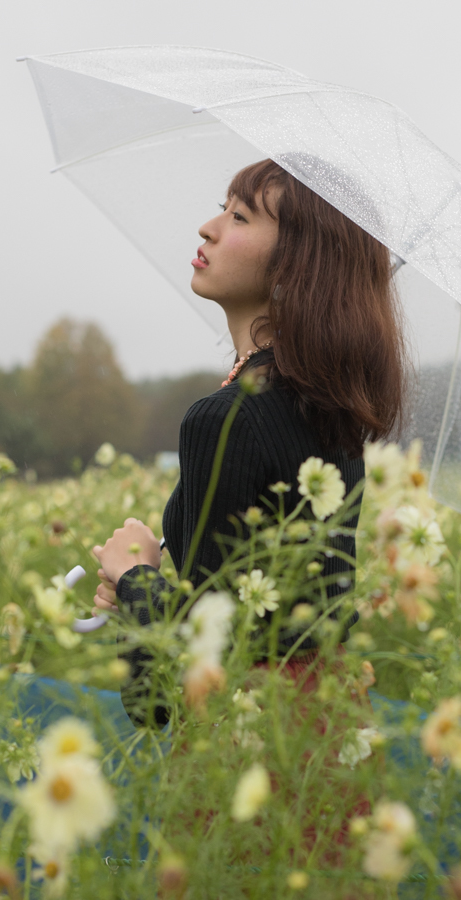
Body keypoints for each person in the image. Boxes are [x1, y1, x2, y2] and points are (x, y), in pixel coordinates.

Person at [91, 158, 407, 730]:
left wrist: (135, 577)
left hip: (244, 739)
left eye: (238, 216)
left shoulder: (224, 419)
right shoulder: (332, 410)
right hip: (330, 728)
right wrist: (156, 578)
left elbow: (163, 694)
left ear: (295, 267)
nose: (207, 228)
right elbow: (264, 615)